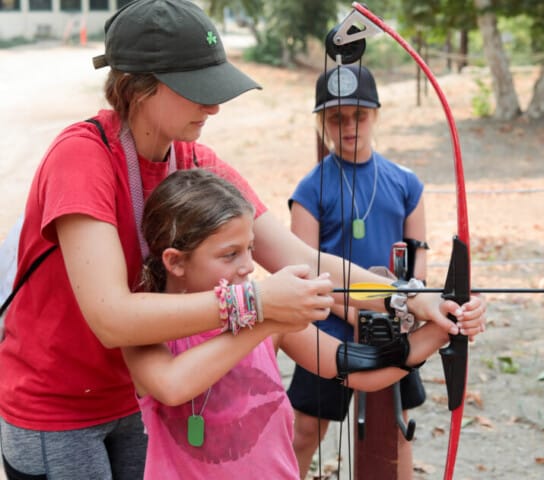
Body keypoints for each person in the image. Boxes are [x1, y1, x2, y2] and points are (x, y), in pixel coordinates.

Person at [0, 1, 488, 479]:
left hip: (133, 396)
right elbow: (111, 317)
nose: (213, 105)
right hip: (58, 404)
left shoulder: (194, 160)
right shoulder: (82, 159)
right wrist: (256, 303)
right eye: (197, 90)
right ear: (139, 87)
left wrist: (407, 298)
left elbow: (301, 259)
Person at [122, 168, 473, 479]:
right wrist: (263, 319)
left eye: (251, 249)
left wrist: (442, 328)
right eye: (230, 255)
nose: (248, 266)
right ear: (175, 262)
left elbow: (355, 367)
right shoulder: (145, 327)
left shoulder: (270, 321)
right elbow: (172, 386)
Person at [287, 64, 430, 480]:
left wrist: (409, 305)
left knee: (397, 431)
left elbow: (419, 262)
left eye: (359, 116)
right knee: (306, 430)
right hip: (329, 330)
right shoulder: (310, 190)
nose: (349, 127)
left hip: (394, 326)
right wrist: (354, 314)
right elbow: (303, 271)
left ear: (376, 115)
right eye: (336, 118)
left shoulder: (406, 184)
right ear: (322, 123)